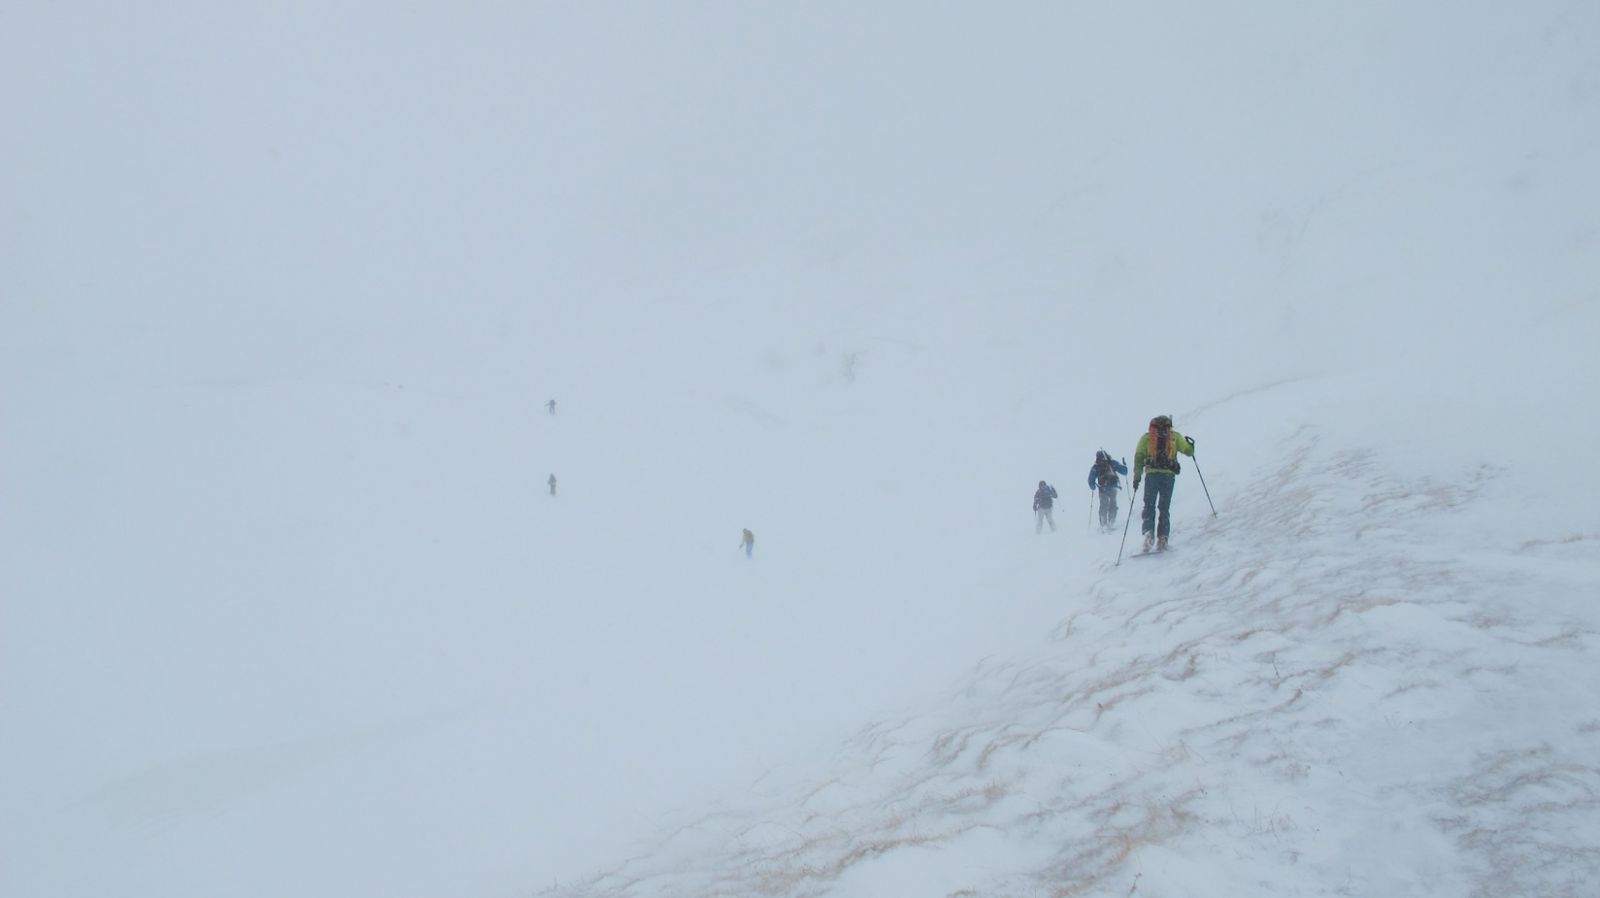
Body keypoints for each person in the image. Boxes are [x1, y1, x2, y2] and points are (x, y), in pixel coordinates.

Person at [1131, 415, 1195, 552]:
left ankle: (1148, 533)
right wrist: (1191, 446)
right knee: (1164, 507)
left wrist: (1137, 477)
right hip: (1168, 475)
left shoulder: (1147, 438)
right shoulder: (1174, 437)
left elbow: (1139, 456)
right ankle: (1163, 538)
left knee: (1149, 505)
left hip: (1151, 475)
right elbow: (1188, 451)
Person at [1086, 450, 1129, 532]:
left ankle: (1103, 524)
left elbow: (1090, 479)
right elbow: (1124, 471)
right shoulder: (1112, 463)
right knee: (1113, 503)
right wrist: (1124, 465)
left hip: (1102, 488)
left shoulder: (1096, 466)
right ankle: (1111, 522)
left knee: (1103, 505)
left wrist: (1093, 487)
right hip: (1113, 487)